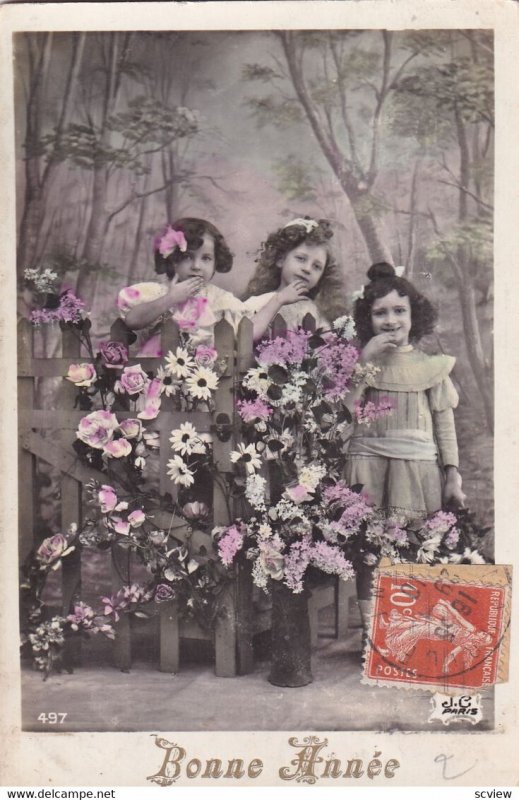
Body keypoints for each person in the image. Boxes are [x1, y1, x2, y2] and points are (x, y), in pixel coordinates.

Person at [345, 262, 466, 627]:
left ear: (415, 315)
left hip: (417, 468)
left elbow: (444, 422)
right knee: (368, 549)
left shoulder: (431, 366)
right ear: (368, 319)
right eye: (380, 312)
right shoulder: (361, 361)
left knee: (414, 545)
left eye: (399, 310)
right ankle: (373, 633)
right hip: (367, 462)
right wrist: (363, 364)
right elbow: (345, 410)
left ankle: (407, 630)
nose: (391, 320)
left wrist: (453, 474)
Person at [118, 217, 244, 355]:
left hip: (202, 373)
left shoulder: (219, 299)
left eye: (206, 258)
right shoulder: (159, 292)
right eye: (188, 257)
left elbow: (247, 332)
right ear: (173, 260)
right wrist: (170, 298)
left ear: (215, 262)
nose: (196, 266)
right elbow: (132, 321)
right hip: (157, 368)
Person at [243, 217, 346, 340]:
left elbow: (326, 350)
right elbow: (243, 337)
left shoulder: (315, 313)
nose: (307, 269)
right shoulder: (259, 302)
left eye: (316, 266)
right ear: (281, 259)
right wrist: (278, 301)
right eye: (301, 259)